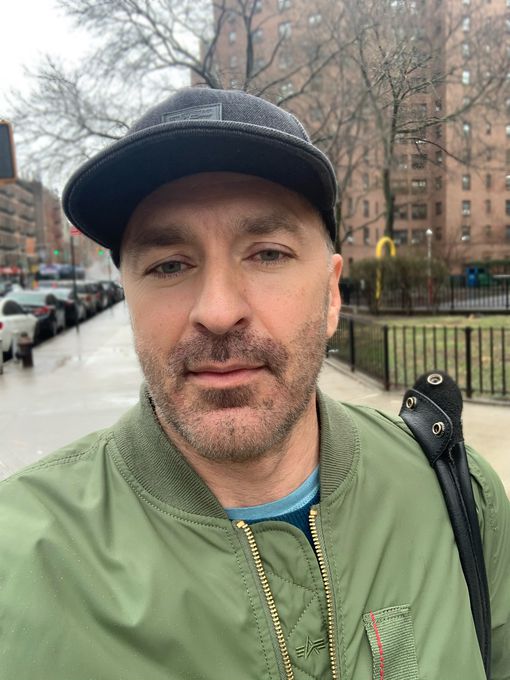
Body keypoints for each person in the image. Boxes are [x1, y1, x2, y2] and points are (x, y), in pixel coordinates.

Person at [0, 87, 508, 680]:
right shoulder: (18, 565)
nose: (218, 311)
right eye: (169, 264)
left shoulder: (459, 495)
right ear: (128, 298)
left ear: (331, 293)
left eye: (267, 254)